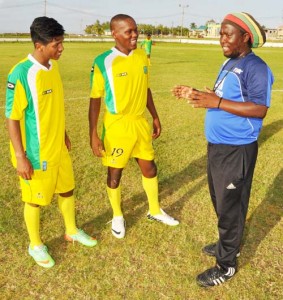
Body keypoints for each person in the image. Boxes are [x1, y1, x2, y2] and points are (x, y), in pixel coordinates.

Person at [172, 12, 273, 287]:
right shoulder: (229, 63)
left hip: (236, 150)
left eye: (227, 34)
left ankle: (227, 264)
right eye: (220, 34)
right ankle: (229, 244)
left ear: (245, 37)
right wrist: (197, 94)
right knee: (221, 201)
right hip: (217, 147)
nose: (222, 40)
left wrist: (215, 103)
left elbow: (259, 109)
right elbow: (222, 99)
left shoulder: (256, 67)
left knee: (230, 207)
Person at [5, 17, 97, 269]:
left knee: (67, 189)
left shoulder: (52, 68)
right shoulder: (21, 73)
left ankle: (71, 230)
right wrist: (21, 156)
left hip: (58, 146)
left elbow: (51, 107)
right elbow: (12, 118)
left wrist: (64, 132)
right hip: (35, 153)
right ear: (39, 45)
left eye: (61, 42)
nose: (61, 48)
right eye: (56, 44)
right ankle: (35, 244)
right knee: (34, 200)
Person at [89, 14, 179, 239]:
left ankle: (155, 210)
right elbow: (95, 100)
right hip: (117, 126)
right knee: (115, 173)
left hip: (140, 122)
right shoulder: (103, 61)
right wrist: (93, 134)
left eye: (135, 30)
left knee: (150, 168)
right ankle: (118, 214)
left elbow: (145, 88)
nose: (134, 34)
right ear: (114, 33)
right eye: (128, 31)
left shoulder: (141, 56)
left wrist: (155, 116)